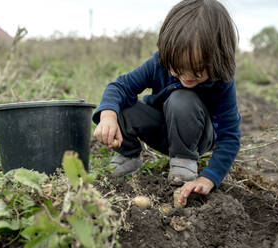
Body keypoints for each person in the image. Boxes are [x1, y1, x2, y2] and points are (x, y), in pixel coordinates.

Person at [92, 0, 241, 205]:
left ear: (218, 59)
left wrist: (209, 178)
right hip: (163, 129)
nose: (187, 76)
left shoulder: (222, 82)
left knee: (182, 98)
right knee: (123, 106)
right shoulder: (159, 63)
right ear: (167, 54)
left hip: (197, 137)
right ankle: (129, 156)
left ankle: (184, 162)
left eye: (198, 69)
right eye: (178, 68)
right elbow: (120, 87)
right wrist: (108, 115)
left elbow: (230, 136)